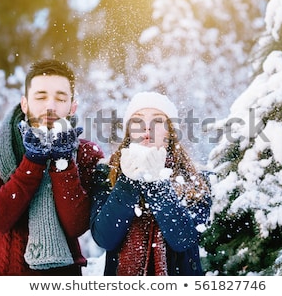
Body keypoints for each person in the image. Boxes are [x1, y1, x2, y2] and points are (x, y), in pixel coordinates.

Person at [0, 59, 104, 275]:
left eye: (60, 98)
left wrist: (63, 163)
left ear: (72, 106)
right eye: (41, 97)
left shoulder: (86, 153)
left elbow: (76, 225)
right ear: (24, 103)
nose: (50, 106)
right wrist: (33, 161)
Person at [90, 91, 212, 275]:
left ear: (170, 132)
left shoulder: (195, 178)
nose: (147, 128)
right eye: (138, 120)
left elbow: (183, 239)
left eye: (157, 121)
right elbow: (105, 238)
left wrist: (157, 185)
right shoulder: (106, 174)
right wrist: (127, 181)